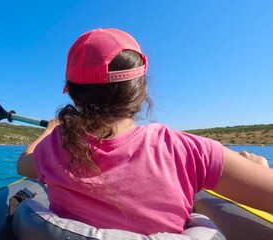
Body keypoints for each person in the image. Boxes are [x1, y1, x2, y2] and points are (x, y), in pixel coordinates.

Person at [17, 28, 273, 235]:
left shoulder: (54, 148)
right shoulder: (189, 150)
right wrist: (262, 169)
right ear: (140, 89)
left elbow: (23, 165)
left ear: (73, 92)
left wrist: (50, 132)